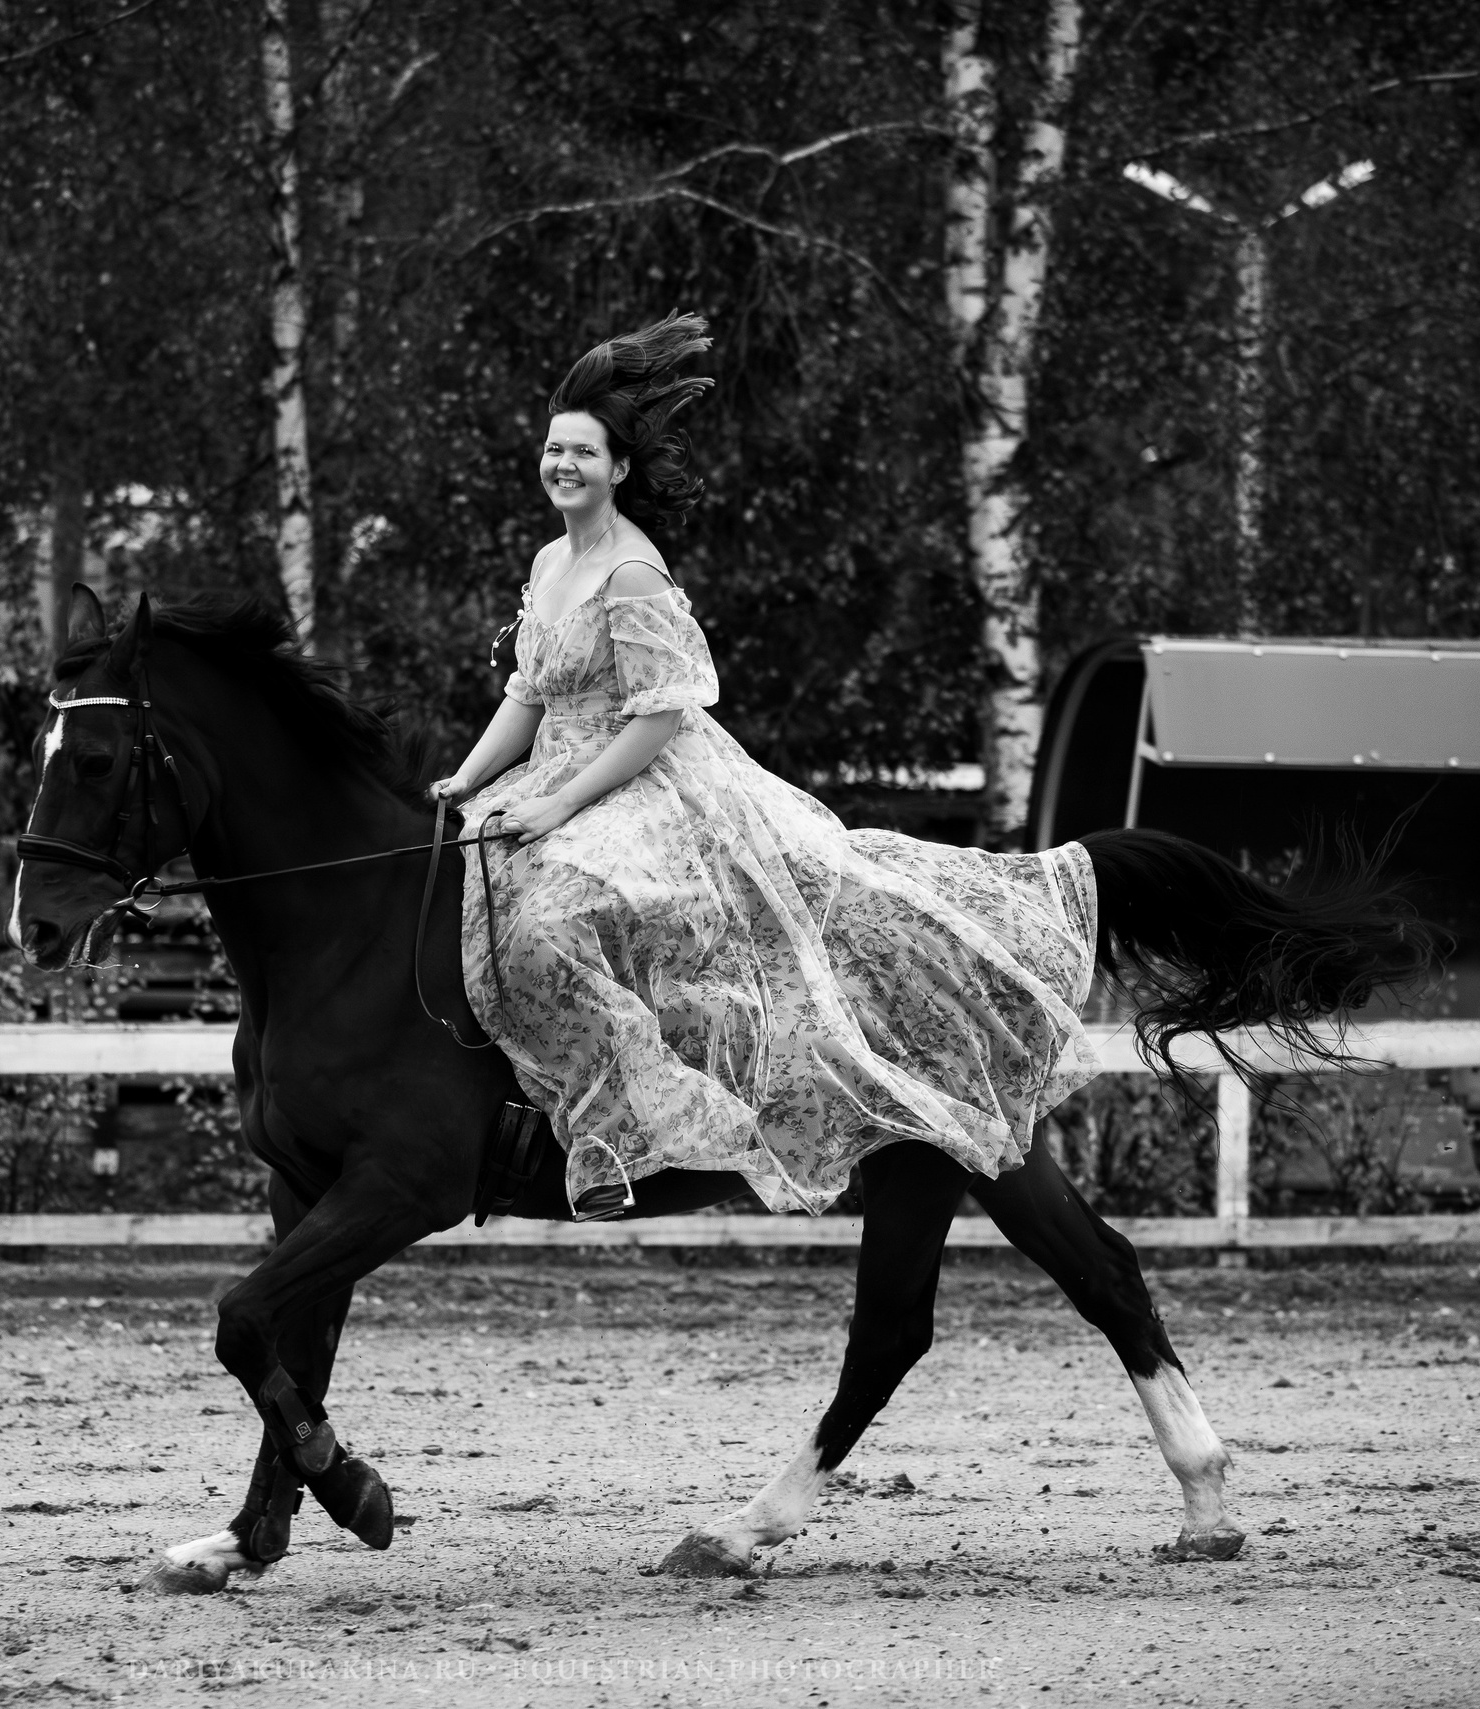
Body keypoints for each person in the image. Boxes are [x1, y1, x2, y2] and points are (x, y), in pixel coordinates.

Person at [430, 313, 1101, 1219]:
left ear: (618, 470)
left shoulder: (632, 573)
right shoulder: (552, 560)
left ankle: (629, 1129)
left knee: (554, 921)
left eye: (583, 453)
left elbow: (661, 718)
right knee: (467, 885)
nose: (563, 466)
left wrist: (556, 809)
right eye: (554, 450)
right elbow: (529, 691)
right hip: (553, 770)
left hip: (639, 778)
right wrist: (468, 777)